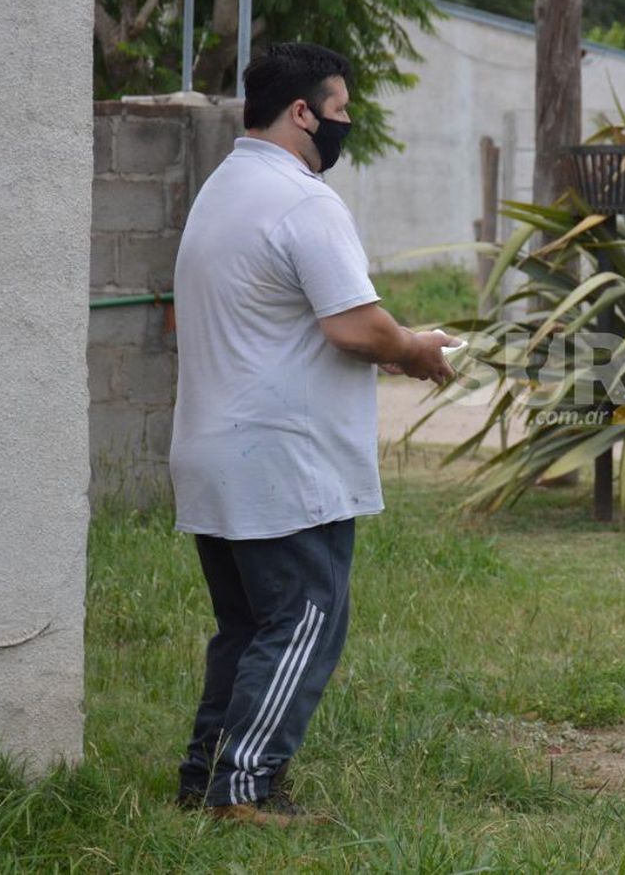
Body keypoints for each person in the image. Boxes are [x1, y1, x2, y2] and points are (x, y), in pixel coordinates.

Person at [169, 42, 456, 826]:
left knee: (247, 625)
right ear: (303, 112)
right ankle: (246, 788)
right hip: (282, 461)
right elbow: (357, 327)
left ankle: (206, 776)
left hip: (214, 448)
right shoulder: (303, 200)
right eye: (342, 110)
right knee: (303, 619)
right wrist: (415, 350)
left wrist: (394, 340)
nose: (347, 125)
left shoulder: (222, 189)